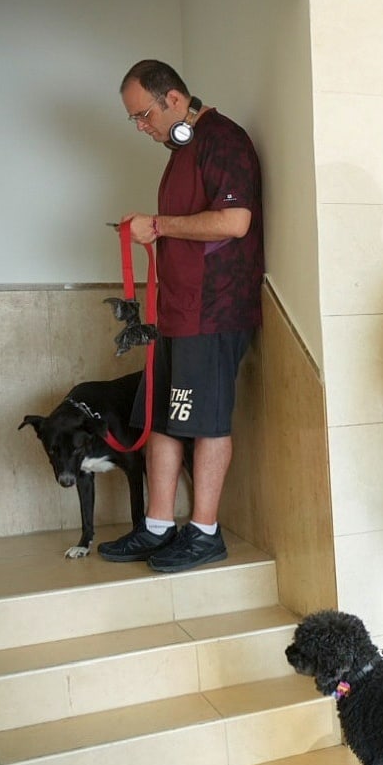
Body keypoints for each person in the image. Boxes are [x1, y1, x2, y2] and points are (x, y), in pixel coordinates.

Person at [99, 60, 263, 573]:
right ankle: (157, 525)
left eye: (143, 115)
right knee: (166, 421)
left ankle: (206, 532)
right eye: (135, 121)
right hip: (176, 310)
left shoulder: (224, 139)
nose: (142, 127)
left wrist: (159, 224)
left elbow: (235, 222)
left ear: (173, 99)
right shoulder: (180, 152)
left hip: (214, 311)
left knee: (208, 423)